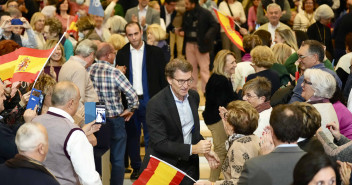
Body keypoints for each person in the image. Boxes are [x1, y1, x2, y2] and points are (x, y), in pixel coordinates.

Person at [140, 58, 220, 184]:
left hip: (189, 166)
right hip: (164, 166)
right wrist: (193, 149)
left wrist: (205, 149)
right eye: (181, 81)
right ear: (169, 79)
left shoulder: (194, 97)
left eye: (189, 80)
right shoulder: (156, 104)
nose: (186, 85)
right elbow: (160, 143)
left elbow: (192, 132)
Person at [115, 21, 167, 179]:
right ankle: (136, 167)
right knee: (132, 135)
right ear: (126, 36)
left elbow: (163, 78)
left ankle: (151, 166)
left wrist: (164, 100)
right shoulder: (122, 53)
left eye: (136, 34)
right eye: (130, 35)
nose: (133, 37)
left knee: (153, 135)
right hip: (130, 101)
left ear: (141, 32)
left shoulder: (156, 53)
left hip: (151, 99)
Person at [32, 81, 102, 185]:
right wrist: (80, 134)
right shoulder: (74, 133)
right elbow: (90, 179)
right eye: (78, 100)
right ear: (71, 103)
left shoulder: (34, 122)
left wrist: (81, 132)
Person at [89, 43, 139, 185]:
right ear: (109, 55)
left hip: (94, 114)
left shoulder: (89, 69)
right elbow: (133, 95)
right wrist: (130, 109)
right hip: (114, 117)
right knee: (117, 159)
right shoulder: (115, 72)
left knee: (97, 155)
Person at [237, 104, 306, 185]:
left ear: (271, 131)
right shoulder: (314, 163)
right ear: (301, 130)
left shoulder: (253, 165)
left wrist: (264, 159)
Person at [196, 100, 260, 185]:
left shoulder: (238, 146)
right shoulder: (253, 138)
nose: (224, 123)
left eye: (227, 120)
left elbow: (241, 182)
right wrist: (226, 119)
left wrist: (211, 184)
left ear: (232, 126)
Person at [202, 50, 238, 181]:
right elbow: (223, 103)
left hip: (215, 117)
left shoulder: (223, 78)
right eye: (232, 62)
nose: (235, 64)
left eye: (235, 61)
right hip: (216, 119)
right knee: (221, 150)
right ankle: (212, 181)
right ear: (223, 64)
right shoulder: (220, 80)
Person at [177, 0, 219, 92]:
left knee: (204, 70)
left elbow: (215, 26)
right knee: (191, 70)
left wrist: (208, 36)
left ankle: (207, 91)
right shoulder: (186, 14)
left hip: (202, 45)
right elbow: (185, 27)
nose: (185, 5)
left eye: (187, 3)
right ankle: (192, 90)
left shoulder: (205, 13)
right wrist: (181, 30)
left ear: (193, 4)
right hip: (189, 44)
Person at [58, 39, 99, 108]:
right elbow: (78, 100)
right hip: (87, 113)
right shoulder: (79, 69)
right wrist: (79, 118)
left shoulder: (67, 64)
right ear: (92, 54)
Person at [301, 69, 339, 142]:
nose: (301, 85)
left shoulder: (311, 110)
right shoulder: (327, 105)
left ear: (316, 88)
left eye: (305, 82)